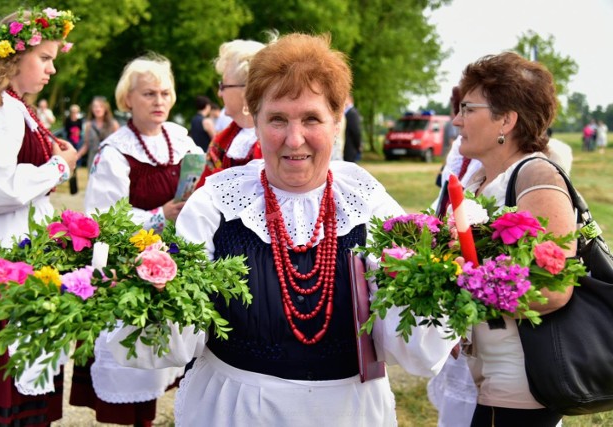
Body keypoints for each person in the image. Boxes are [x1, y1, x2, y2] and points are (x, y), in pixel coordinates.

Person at [105, 32, 455, 427]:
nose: (294, 139)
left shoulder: (368, 203)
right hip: (235, 410)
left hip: (349, 411)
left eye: (311, 118)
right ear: (254, 119)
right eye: (277, 119)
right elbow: (178, 338)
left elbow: (412, 348)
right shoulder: (216, 202)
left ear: (337, 121)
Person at [74, 53, 203, 426]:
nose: (159, 101)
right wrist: (159, 216)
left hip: (176, 263)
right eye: (148, 93)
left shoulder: (182, 140)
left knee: (173, 359)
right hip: (128, 268)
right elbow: (102, 217)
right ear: (127, 99)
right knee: (131, 367)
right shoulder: (114, 152)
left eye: (165, 92)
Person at [452, 52, 576, 426]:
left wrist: (464, 284)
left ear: (506, 119)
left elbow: (553, 286)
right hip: (485, 379)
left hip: (522, 383)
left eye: (468, 108)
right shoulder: (477, 181)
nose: (456, 119)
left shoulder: (536, 174)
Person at [0, 7, 78, 426]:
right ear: (14, 57)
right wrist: (59, 168)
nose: (52, 69)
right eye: (46, 58)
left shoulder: (14, 105)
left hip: (18, 250)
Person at [194, 38, 267, 190]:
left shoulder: (274, 139)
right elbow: (202, 192)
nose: (219, 93)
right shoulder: (222, 140)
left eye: (223, 85)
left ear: (246, 90)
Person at [76, 95, 120, 171]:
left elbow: (119, 145)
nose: (98, 109)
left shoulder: (114, 124)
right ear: (92, 109)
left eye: (100, 106)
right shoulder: (88, 125)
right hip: (93, 161)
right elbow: (86, 145)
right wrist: (76, 156)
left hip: (110, 161)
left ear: (105, 108)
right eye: (95, 107)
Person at [343, 93, 362, 162]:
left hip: (350, 150)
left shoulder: (352, 113)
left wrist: (358, 145)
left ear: (350, 99)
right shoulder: (346, 112)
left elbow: (356, 132)